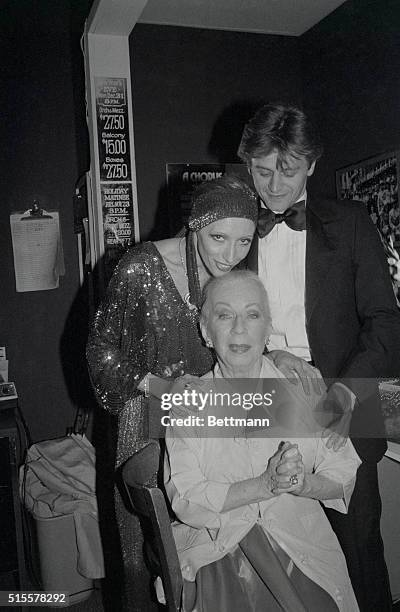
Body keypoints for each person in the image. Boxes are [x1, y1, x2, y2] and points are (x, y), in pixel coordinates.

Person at [237, 102, 400, 611]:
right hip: (265, 401)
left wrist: (345, 395)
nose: (275, 186)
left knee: (359, 552)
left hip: (348, 401)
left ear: (311, 164)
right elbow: (221, 319)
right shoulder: (238, 231)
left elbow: (386, 320)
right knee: (286, 556)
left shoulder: (350, 222)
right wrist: (274, 354)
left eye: (288, 170)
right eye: (262, 171)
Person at [86, 175, 260, 611]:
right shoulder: (141, 266)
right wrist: (157, 385)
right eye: (219, 237)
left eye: (244, 242)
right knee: (141, 563)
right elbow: (99, 350)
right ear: (195, 224)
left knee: (214, 549)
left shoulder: (234, 276)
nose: (231, 254)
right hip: (145, 421)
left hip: (207, 417)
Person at [164, 271, 361, 612]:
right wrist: (263, 485)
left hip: (303, 546)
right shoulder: (189, 402)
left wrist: (304, 484)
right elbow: (185, 496)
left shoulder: (304, 387)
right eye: (224, 315)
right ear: (206, 331)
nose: (239, 328)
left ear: (268, 328)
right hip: (221, 549)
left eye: (252, 315)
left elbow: (343, 471)